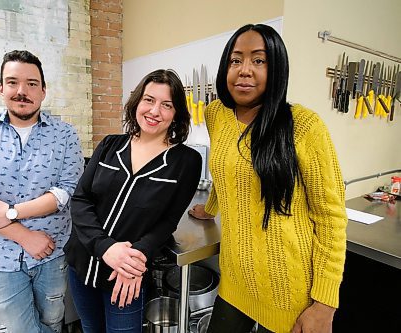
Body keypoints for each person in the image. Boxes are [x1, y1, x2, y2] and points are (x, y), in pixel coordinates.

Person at [188, 24, 347, 333]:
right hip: (234, 281)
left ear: (276, 69)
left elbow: (331, 219)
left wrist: (325, 304)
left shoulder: (304, 126)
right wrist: (211, 208)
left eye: (258, 60)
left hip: (290, 291)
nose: (244, 70)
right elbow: (226, 168)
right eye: (236, 60)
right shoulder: (215, 113)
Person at [0, 50, 84, 333]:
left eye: (32, 83)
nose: (22, 91)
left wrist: (10, 212)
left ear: (43, 91)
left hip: (52, 253)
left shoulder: (65, 135)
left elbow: (65, 192)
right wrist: (24, 236)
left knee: (52, 322)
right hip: (0, 256)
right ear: (1, 88)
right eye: (12, 82)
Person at [64, 69, 202, 332]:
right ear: (137, 101)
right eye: (149, 100)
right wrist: (105, 247)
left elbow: (168, 221)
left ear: (176, 114)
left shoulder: (186, 162)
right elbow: (81, 200)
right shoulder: (109, 145)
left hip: (126, 275)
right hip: (82, 266)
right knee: (91, 328)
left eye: (167, 105)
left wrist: (136, 257)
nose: (155, 111)